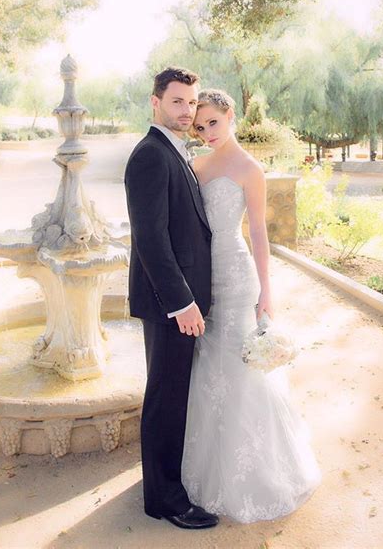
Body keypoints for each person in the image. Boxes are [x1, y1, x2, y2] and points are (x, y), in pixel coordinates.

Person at [181, 89, 322, 523]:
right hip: (203, 279)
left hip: (239, 277)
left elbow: (259, 232)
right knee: (208, 366)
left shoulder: (249, 168)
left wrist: (267, 292)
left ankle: (257, 471)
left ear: (230, 116)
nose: (206, 133)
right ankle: (206, 465)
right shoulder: (195, 165)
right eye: (199, 126)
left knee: (240, 366)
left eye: (213, 124)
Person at [124, 68, 219, 529]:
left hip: (180, 300)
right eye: (178, 101)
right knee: (166, 398)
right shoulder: (149, 156)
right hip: (170, 305)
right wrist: (181, 304)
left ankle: (162, 482)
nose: (187, 111)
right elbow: (150, 238)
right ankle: (166, 502)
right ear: (156, 102)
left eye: (191, 102)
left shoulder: (173, 151)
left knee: (173, 394)